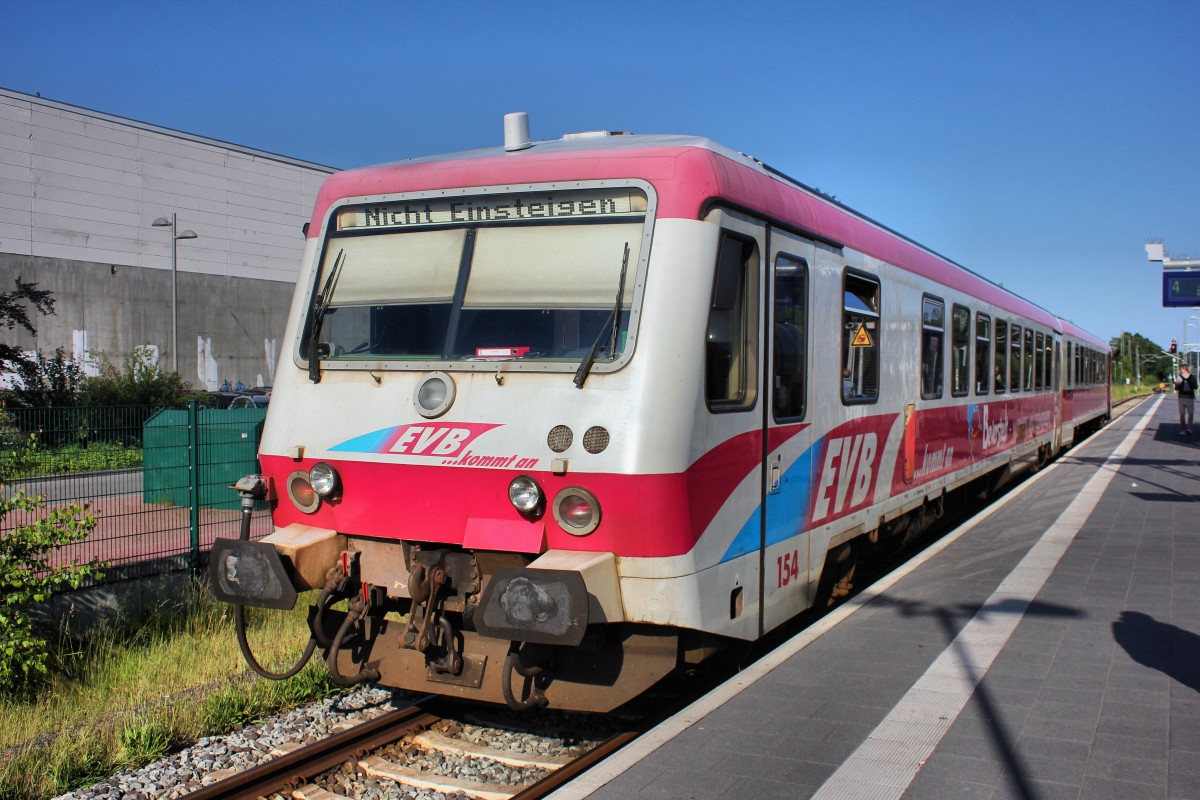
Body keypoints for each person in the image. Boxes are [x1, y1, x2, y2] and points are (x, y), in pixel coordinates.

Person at [1175, 365, 1197, 435]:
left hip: (1181, 397)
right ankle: (1189, 429)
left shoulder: (1179, 377)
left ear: (1183, 369)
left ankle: (1182, 430)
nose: (1180, 371)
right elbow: (1195, 387)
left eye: (1180, 369)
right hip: (1190, 397)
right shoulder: (1192, 377)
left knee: (1182, 414)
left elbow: (1176, 388)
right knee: (1190, 414)